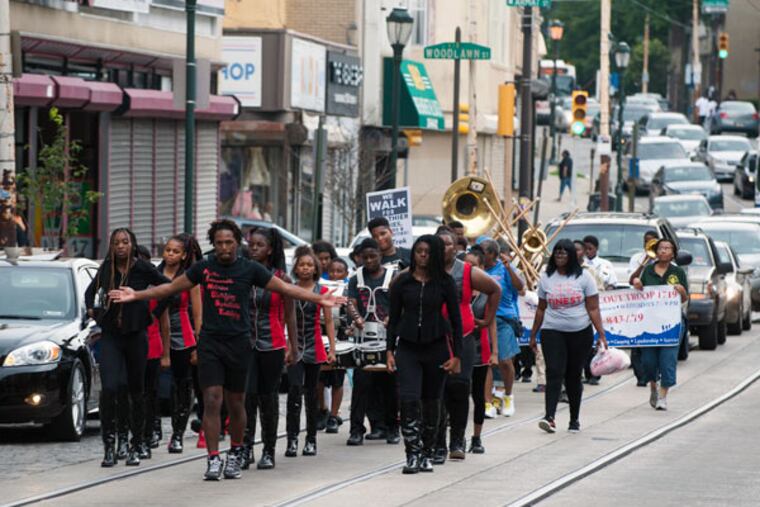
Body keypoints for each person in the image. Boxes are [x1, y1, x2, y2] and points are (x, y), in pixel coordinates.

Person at [107, 219, 343, 481]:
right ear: (214, 244)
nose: (224, 247)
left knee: (236, 403)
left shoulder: (250, 269)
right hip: (210, 343)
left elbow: (286, 288)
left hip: (239, 344)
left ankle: (235, 452)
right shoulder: (204, 268)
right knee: (211, 400)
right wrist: (136, 295)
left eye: (229, 242)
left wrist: (320, 298)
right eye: (219, 243)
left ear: (236, 243)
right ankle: (212, 458)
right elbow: (170, 287)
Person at [85, 229, 170, 467]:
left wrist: (152, 314)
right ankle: (109, 446)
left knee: (136, 391)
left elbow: (168, 288)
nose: (121, 246)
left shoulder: (142, 268)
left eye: (125, 242)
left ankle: (136, 444)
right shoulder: (106, 268)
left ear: (132, 244)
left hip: (136, 336)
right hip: (111, 336)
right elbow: (90, 293)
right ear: (111, 246)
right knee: (110, 388)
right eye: (116, 243)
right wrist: (96, 313)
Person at [386, 235, 463, 474]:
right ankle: (412, 454)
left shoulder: (445, 283)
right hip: (408, 347)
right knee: (408, 399)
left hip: (436, 347)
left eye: (427, 252)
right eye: (418, 251)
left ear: (435, 255)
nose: (422, 255)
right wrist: (389, 350)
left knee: (432, 402)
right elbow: (393, 319)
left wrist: (457, 355)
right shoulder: (402, 282)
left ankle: (427, 453)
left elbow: (456, 321)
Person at [433, 228, 500, 463]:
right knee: (437, 392)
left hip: (463, 336)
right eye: (439, 244)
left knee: (459, 389)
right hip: (434, 338)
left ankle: (457, 440)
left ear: (456, 246)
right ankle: (438, 443)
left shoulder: (467, 271)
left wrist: (488, 320)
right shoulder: (423, 269)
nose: (444, 248)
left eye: (449, 244)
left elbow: (494, 290)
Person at [529, 239, 608, 434]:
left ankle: (574, 418)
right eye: (557, 252)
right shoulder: (546, 277)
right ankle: (550, 417)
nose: (560, 255)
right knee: (554, 372)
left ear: (572, 255)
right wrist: (533, 334)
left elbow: (593, 308)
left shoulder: (584, 278)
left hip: (580, 332)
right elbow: (541, 308)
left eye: (564, 252)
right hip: (552, 331)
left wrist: (601, 334)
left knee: (573, 375)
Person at [243, 227, 297, 470]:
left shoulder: (282, 279)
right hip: (245, 344)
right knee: (246, 397)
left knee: (268, 397)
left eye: (259, 245)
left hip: (272, 343)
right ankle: (244, 449)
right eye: (251, 244)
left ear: (270, 249)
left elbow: (290, 315)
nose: (253, 249)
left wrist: (292, 346)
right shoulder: (242, 274)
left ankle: (268, 450)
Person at [346, 239, 400, 446]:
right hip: (363, 339)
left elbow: (398, 302)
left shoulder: (392, 276)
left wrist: (390, 318)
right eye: (365, 257)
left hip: (386, 338)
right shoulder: (355, 279)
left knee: (389, 385)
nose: (369, 261)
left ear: (380, 255)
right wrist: (356, 318)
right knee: (362, 385)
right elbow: (351, 302)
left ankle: (392, 427)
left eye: (373, 256)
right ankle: (357, 429)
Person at [285, 246, 336, 458]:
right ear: (296, 268)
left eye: (309, 265)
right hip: (295, 346)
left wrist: (332, 348)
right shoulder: (289, 289)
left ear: (315, 268)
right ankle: (292, 439)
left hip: (314, 345)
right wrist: (286, 346)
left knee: (312, 393)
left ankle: (311, 439)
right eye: (302, 265)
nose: (305, 268)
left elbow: (329, 321)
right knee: (294, 392)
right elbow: (284, 319)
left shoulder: (322, 291)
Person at [630, 238, 688, 411]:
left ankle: (663, 396)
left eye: (667, 248)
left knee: (668, 360)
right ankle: (653, 387)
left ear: (673, 253)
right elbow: (637, 287)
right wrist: (638, 284)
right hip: (650, 324)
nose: (663, 251)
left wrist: (682, 291)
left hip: (671, 324)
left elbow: (684, 298)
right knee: (648, 361)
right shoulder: (648, 270)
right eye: (661, 248)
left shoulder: (678, 272)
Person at [481, 239, 523, 418]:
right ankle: (488, 402)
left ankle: (507, 395)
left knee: (505, 361)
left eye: (484, 252)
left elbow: (520, 287)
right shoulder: (477, 269)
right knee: (486, 363)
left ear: (492, 255)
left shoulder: (504, 268)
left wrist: (509, 268)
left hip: (504, 319)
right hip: (482, 319)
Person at [463, 247, 498, 454]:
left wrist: (495, 352)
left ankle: (476, 437)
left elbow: (491, 323)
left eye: (474, 266)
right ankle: (456, 436)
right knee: (458, 394)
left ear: (482, 268)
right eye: (466, 265)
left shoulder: (487, 293)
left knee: (478, 395)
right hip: (459, 347)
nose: (469, 270)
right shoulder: (458, 288)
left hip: (480, 349)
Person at [318, 257, 351, 434]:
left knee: (338, 377)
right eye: (332, 271)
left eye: (339, 271)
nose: (335, 274)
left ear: (346, 273)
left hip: (341, 337)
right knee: (320, 377)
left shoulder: (348, 289)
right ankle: (321, 409)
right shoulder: (321, 288)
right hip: (321, 335)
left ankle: (333, 414)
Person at [627, 230, 659, 386]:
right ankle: (640, 377)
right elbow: (631, 280)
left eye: (652, 242)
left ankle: (653, 373)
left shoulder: (666, 260)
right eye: (646, 241)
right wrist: (644, 263)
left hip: (657, 308)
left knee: (654, 342)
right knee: (637, 343)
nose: (649, 244)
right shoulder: (637, 259)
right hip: (639, 307)